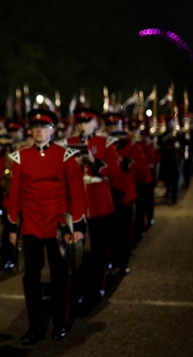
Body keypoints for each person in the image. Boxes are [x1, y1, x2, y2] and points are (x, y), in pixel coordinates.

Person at [6, 108, 87, 344]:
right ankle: (36, 326)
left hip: (59, 225)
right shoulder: (21, 156)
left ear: (53, 130)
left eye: (45, 127)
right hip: (31, 223)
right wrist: (13, 228)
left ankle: (60, 322)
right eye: (36, 127)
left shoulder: (66, 156)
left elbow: (78, 194)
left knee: (60, 275)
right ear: (31, 130)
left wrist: (78, 226)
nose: (40, 131)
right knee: (31, 277)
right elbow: (15, 195)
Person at [62, 107, 121, 311]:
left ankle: (98, 286)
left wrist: (97, 164)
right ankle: (77, 289)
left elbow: (115, 171)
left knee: (99, 248)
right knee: (76, 248)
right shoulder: (68, 143)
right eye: (79, 122)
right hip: (77, 202)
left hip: (99, 201)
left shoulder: (106, 142)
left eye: (87, 121)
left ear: (95, 123)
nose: (82, 125)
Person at [103, 112, 151, 275]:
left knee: (123, 231)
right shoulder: (104, 144)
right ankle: (109, 261)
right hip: (107, 194)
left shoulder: (131, 144)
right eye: (109, 126)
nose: (112, 129)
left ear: (122, 126)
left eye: (115, 125)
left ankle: (122, 261)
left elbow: (142, 170)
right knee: (109, 232)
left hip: (124, 194)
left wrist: (127, 164)